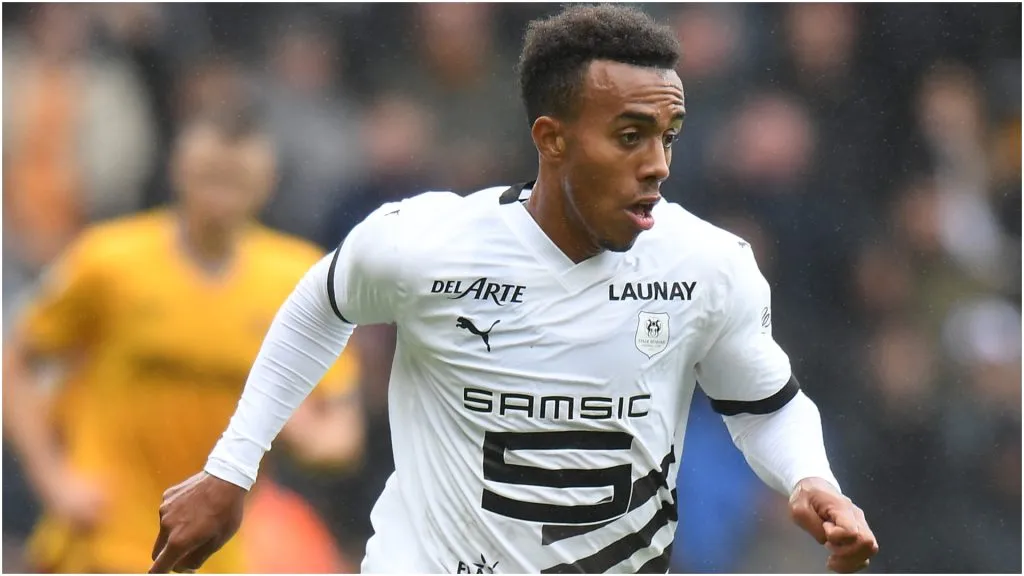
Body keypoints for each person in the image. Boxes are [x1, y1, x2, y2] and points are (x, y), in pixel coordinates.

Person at [150, 5, 879, 574]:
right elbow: (319, 306)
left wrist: (809, 478)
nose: (658, 164)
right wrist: (232, 469)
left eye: (669, 135)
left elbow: (766, 405)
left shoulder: (706, 265)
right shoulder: (427, 243)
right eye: (630, 135)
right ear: (551, 138)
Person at [3, 107, 364, 573]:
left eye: (235, 177)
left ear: (267, 180)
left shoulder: (296, 279)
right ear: (179, 170)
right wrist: (53, 480)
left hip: (215, 555)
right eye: (210, 175)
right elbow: (14, 361)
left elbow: (342, 431)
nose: (221, 193)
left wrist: (308, 440)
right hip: (100, 546)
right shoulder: (110, 260)